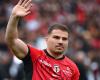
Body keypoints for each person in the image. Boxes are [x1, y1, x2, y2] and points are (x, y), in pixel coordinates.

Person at [5, 0, 80, 80]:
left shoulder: (73, 68)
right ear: (47, 40)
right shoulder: (34, 56)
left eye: (64, 39)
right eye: (56, 37)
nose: (60, 41)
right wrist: (14, 17)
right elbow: (12, 40)